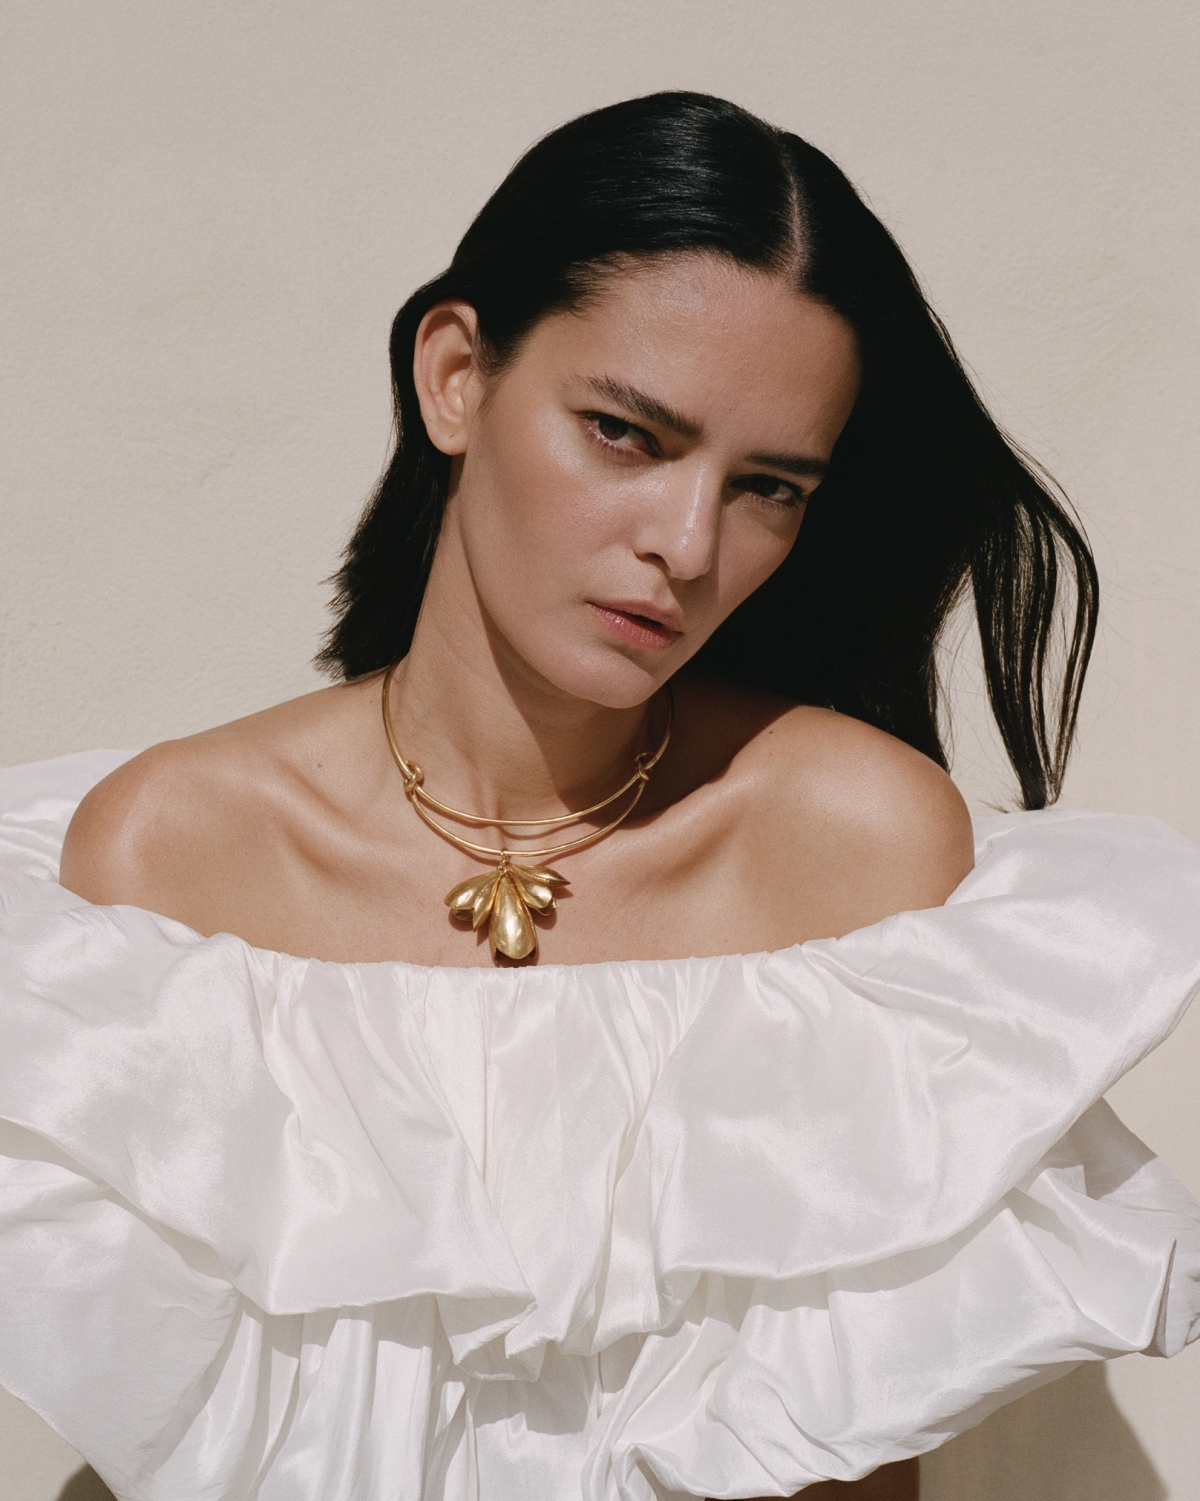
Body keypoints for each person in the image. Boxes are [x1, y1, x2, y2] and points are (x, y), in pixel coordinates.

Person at [1, 91, 1198, 1501]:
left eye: (769, 488)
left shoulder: (849, 850)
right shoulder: (174, 855)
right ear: (456, 377)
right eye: (627, 434)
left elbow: (852, 1462)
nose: (686, 545)